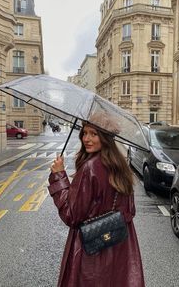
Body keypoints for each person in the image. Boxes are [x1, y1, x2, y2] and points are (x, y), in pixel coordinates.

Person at [47, 120, 145, 287]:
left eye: (94, 134)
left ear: (105, 137)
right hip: (119, 246)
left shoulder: (89, 168)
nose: (87, 139)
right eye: (84, 133)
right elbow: (130, 210)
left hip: (90, 252)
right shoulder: (120, 166)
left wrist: (59, 176)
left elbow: (71, 215)